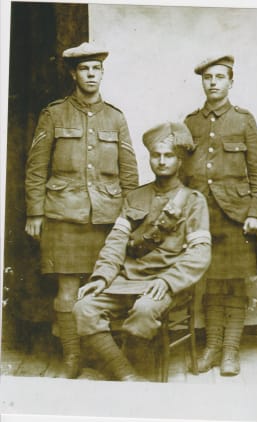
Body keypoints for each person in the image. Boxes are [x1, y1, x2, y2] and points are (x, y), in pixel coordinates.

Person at [25, 42, 139, 378]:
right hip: (63, 216)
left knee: (103, 288)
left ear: (102, 73)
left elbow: (129, 172)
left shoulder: (115, 117)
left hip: (106, 218)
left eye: (96, 69)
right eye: (84, 69)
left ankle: (100, 355)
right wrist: (35, 213)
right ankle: (72, 358)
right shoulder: (54, 113)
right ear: (74, 74)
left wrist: (130, 218)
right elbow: (36, 167)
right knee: (67, 291)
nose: (91, 75)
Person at [73, 122, 211, 381]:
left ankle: (124, 375)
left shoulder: (193, 201)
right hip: (126, 280)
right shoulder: (135, 198)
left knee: (145, 309)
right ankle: (127, 375)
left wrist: (167, 281)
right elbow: (115, 242)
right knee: (84, 307)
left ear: (179, 160)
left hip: (166, 283)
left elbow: (200, 253)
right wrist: (102, 277)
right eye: (156, 155)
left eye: (168, 155)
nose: (161, 161)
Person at [181, 54, 257, 376]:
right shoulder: (191, 122)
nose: (213, 82)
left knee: (235, 286)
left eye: (220, 77)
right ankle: (212, 348)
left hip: (236, 216)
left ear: (231, 82)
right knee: (210, 286)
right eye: (208, 78)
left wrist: (256, 211)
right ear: (202, 82)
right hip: (202, 216)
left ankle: (230, 351)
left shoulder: (244, 120)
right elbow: (182, 173)